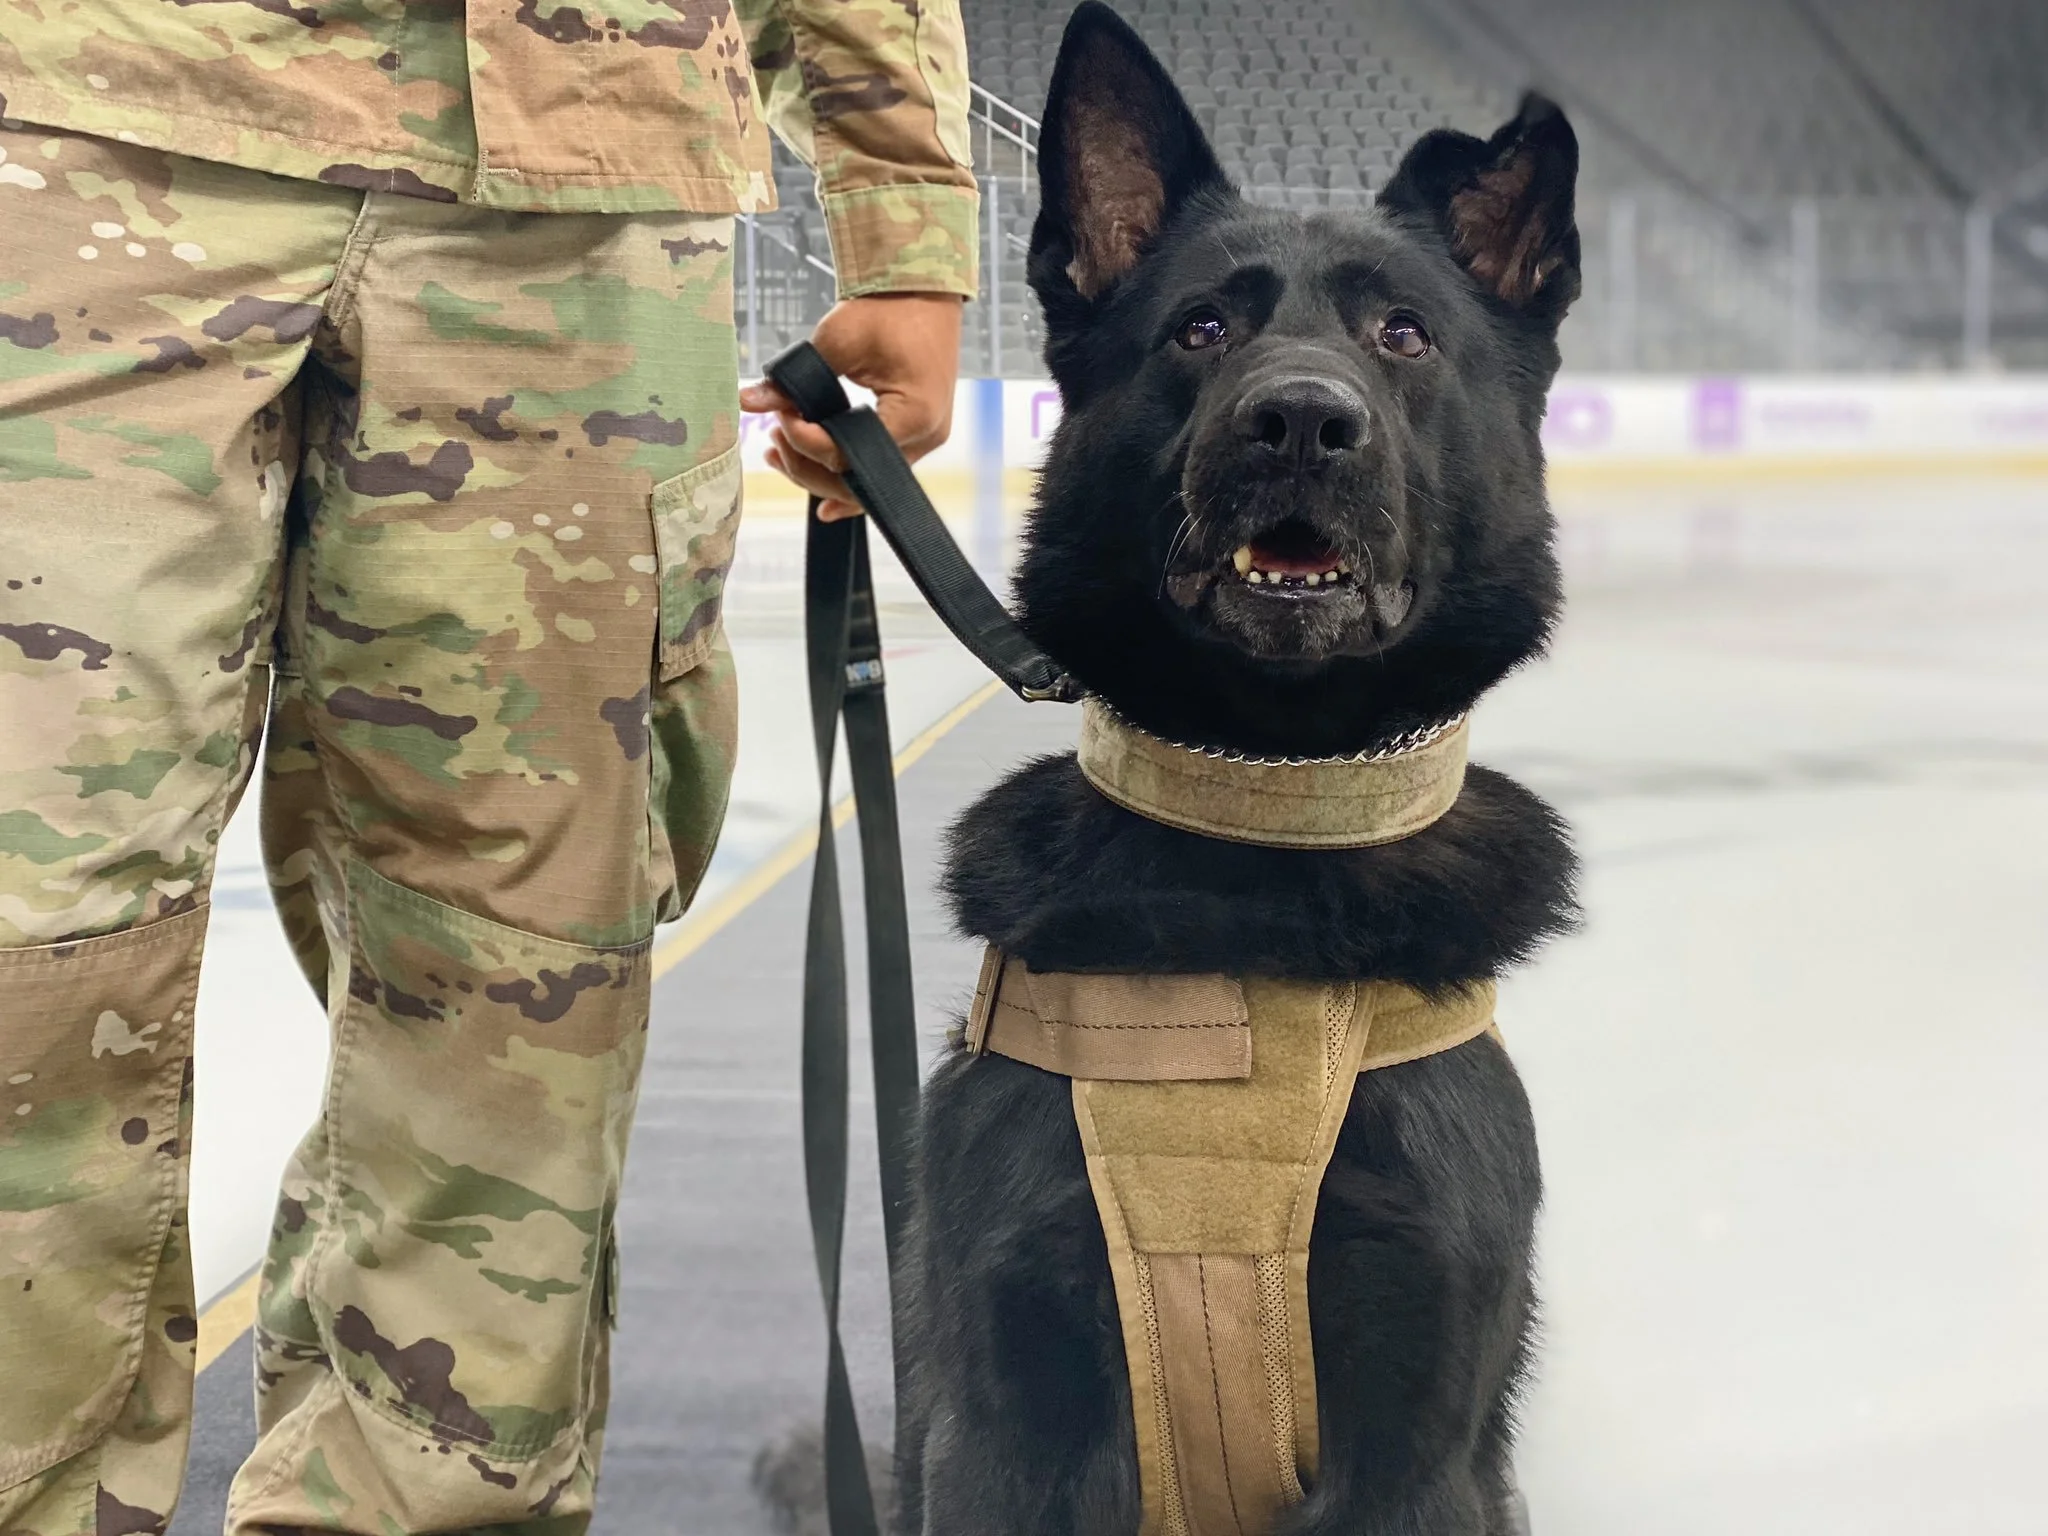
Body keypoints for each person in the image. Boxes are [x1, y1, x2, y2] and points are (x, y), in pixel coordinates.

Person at [0, 0, 975, 1528]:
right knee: (23, 961)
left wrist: (901, 203)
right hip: (88, 116)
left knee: (522, 987)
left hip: (587, 157)